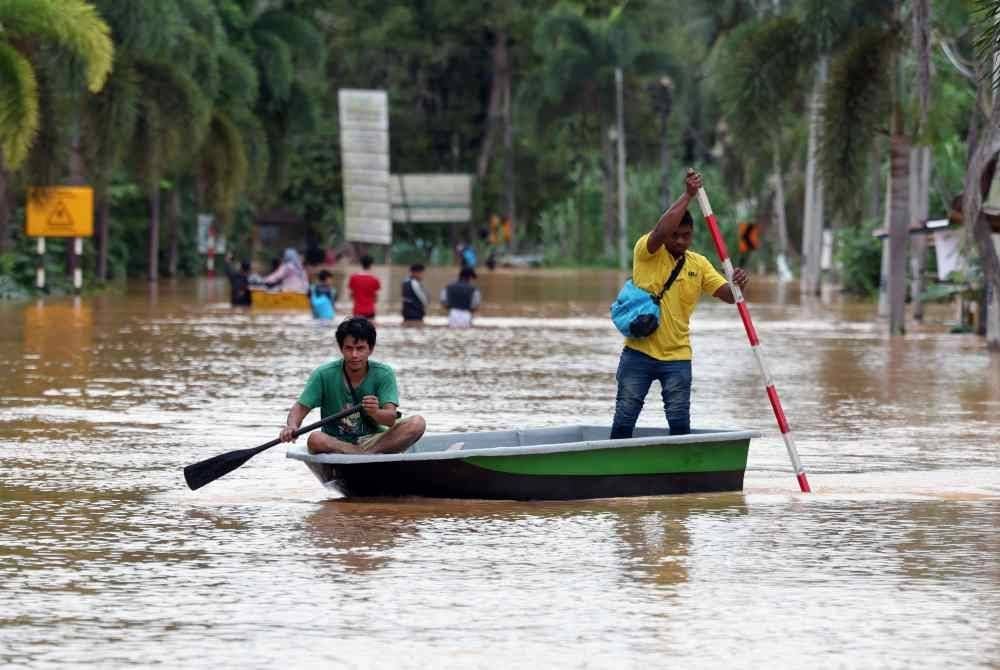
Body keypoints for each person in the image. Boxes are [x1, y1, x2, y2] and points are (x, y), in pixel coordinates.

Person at [610, 169, 749, 439]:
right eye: (676, 235)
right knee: (625, 416)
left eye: (686, 235)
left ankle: (680, 474)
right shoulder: (647, 252)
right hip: (638, 353)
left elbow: (727, 295)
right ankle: (614, 468)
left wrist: (738, 284)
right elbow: (661, 231)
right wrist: (688, 195)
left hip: (677, 358)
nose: (681, 241)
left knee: (679, 421)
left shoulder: (699, 264)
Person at [278, 317, 426, 454]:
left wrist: (375, 412)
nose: (354, 355)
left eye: (360, 348)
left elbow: (390, 419)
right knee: (315, 439)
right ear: (341, 348)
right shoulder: (324, 374)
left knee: (417, 423)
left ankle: (368, 454)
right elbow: (300, 408)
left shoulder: (384, 373)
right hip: (337, 443)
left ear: (371, 349)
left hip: (375, 442)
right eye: (349, 348)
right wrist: (291, 426)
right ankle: (360, 454)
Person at [348, 254, 381, 319]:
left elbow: (351, 295)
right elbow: (376, 298)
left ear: (361, 264)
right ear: (371, 264)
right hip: (370, 310)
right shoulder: (374, 279)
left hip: (357, 310)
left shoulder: (353, 278)